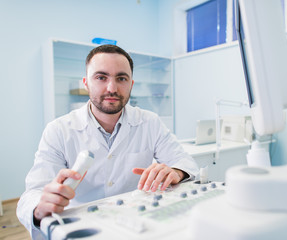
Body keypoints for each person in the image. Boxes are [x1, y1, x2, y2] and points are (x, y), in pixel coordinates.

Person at [17, 44, 199, 239]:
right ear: (86, 83)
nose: (112, 88)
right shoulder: (59, 130)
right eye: (101, 77)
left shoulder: (150, 122)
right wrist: (40, 207)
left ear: (131, 84)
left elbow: (186, 163)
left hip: (136, 223)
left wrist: (175, 172)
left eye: (121, 78)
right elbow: (32, 195)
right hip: (82, 226)